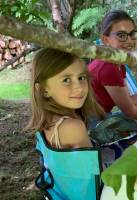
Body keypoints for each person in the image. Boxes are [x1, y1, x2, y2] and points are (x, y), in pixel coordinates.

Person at [25, 48, 106, 199]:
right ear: (43, 89)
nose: (79, 87)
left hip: (61, 192)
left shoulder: (45, 122)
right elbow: (97, 173)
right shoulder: (73, 127)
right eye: (66, 80)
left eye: (81, 77)